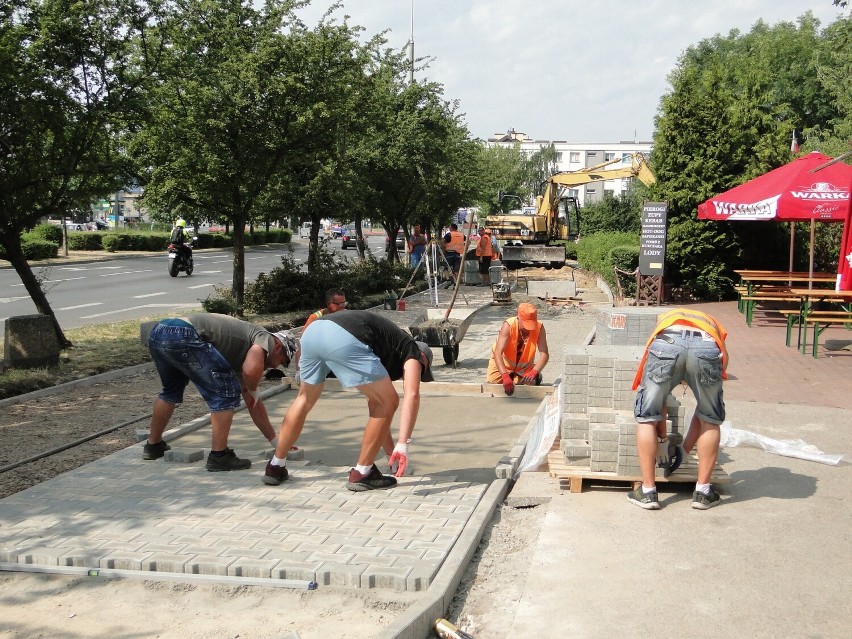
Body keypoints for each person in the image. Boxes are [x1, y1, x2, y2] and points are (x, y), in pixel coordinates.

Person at [263, 310, 435, 491]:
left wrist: (391, 453)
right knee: (389, 401)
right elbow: (412, 395)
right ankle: (362, 472)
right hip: (342, 336)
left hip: (313, 333)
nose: (416, 376)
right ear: (423, 360)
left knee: (304, 398)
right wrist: (403, 444)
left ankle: (276, 466)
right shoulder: (413, 351)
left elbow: (376, 409)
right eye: (421, 372)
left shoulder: (386, 347)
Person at [142, 313, 297, 471]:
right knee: (224, 393)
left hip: (160, 331)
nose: (277, 367)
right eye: (282, 361)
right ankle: (219, 456)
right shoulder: (264, 338)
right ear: (278, 347)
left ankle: (153, 446)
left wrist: (275, 441)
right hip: (184, 333)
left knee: (170, 391)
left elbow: (252, 402)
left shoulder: (241, 353)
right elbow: (251, 373)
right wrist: (253, 388)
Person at [628, 307, 728, 510]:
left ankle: (648, 492)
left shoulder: (665, 321)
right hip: (706, 346)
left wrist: (673, 444)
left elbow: (660, 403)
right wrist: (669, 442)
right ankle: (703, 492)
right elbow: (704, 413)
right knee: (711, 417)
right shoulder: (714, 326)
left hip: (667, 343)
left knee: (647, 415)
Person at [486, 302, 550, 395]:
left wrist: (534, 372)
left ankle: (535, 377)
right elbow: (497, 353)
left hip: (523, 367)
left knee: (527, 385)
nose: (528, 329)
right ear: (518, 318)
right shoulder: (508, 326)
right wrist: (504, 376)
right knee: (494, 383)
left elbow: (544, 355)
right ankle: (510, 376)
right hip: (504, 363)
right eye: (526, 324)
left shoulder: (539, 328)